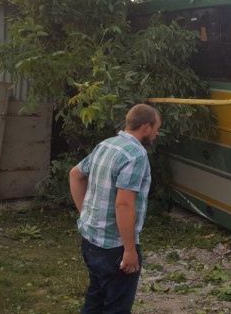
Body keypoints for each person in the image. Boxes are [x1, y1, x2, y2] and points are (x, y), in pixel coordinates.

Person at [69, 104, 162, 313]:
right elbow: (124, 203)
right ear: (146, 127)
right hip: (114, 249)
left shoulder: (106, 145)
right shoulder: (136, 155)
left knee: (95, 299)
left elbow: (75, 174)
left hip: (90, 241)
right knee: (116, 307)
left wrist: (85, 214)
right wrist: (129, 250)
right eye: (157, 128)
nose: (157, 134)